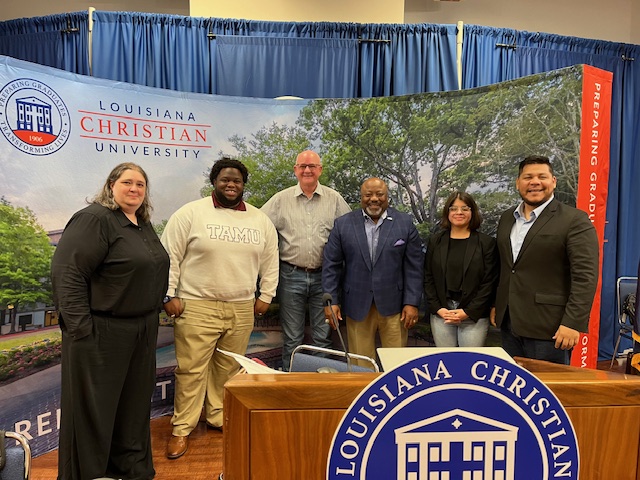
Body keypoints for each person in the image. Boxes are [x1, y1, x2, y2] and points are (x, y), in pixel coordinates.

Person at [51, 162, 169, 480]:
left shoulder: (141, 222)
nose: (134, 189)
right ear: (111, 185)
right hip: (102, 330)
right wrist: (81, 330)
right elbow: (68, 273)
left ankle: (131, 468)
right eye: (127, 182)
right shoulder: (94, 219)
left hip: (141, 329)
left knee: (132, 408)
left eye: (141, 184)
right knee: (93, 411)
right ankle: (88, 474)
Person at [161, 156, 279, 460]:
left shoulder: (259, 219)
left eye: (237, 181)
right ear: (214, 181)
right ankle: (181, 428)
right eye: (225, 179)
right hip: (197, 304)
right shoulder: (190, 213)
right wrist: (167, 294)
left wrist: (266, 294)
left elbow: (270, 260)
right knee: (191, 370)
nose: (231, 185)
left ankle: (216, 417)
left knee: (227, 369)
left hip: (241, 307)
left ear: (243, 186)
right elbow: (169, 256)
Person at [491, 155, 599, 364]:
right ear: (518, 182)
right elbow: (506, 268)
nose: (534, 182)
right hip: (509, 324)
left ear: (553, 181)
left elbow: (585, 276)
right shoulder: (506, 218)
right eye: (527, 177)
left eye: (542, 176)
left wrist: (573, 323)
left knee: (550, 392)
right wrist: (498, 304)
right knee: (514, 392)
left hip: (551, 329)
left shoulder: (574, 220)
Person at [261, 150, 351, 371]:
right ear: (295, 170)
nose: (307, 170)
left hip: (326, 279)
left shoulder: (335, 199)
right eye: (302, 166)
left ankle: (319, 387)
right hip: (290, 275)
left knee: (323, 338)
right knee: (292, 338)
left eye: (312, 166)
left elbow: (350, 233)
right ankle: (291, 387)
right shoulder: (280, 200)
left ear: (320, 169)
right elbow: (259, 226)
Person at [322, 177, 424, 365]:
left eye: (380, 194)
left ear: (387, 197)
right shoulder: (343, 224)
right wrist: (332, 301)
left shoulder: (404, 223)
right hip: (357, 305)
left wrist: (412, 302)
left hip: (395, 307)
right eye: (368, 195)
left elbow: (414, 267)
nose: (374, 199)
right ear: (361, 197)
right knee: (361, 365)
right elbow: (331, 265)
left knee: (396, 365)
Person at [424, 191, 498, 347]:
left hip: (473, 316)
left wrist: (468, 312)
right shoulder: (435, 241)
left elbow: (489, 282)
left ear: (472, 212)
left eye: (465, 208)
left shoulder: (486, 243)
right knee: (446, 363)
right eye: (453, 208)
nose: (459, 212)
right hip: (442, 314)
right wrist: (438, 309)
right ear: (447, 212)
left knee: (468, 363)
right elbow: (428, 277)